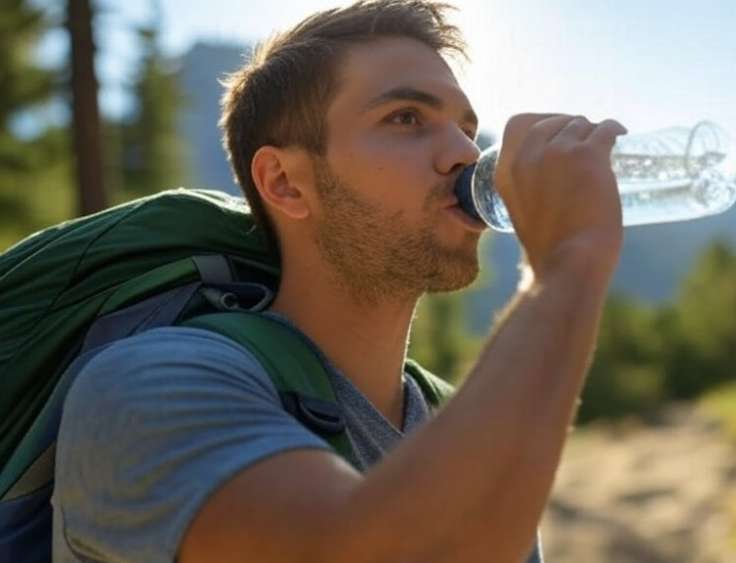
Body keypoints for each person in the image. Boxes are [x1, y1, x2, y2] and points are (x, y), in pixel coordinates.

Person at [51, 0, 627, 561]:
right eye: (406, 118)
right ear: (284, 183)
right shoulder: (149, 385)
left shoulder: (457, 420)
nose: (464, 153)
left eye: (466, 128)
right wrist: (568, 261)